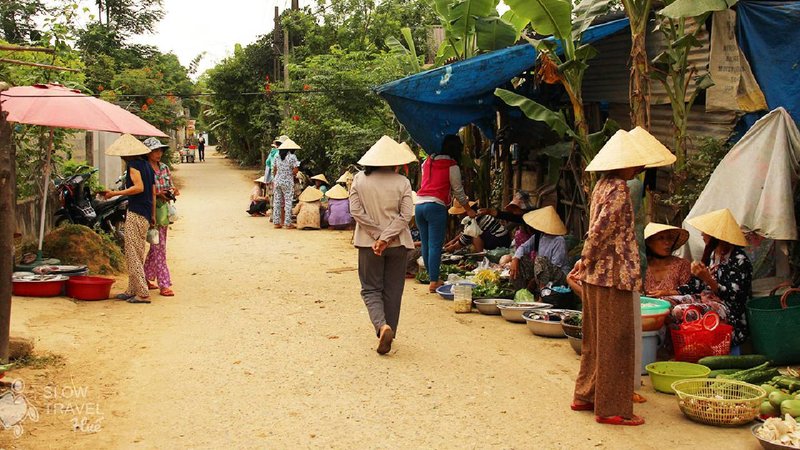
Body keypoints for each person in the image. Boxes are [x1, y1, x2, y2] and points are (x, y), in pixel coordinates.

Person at [568, 129, 661, 426]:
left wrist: (587, 261)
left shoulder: (601, 186)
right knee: (616, 342)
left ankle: (586, 394)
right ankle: (611, 408)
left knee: (595, 339)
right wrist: (586, 258)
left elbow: (596, 228)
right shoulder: (620, 189)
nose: (638, 167)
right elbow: (601, 230)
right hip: (614, 275)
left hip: (599, 274)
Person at [350, 136, 415, 355]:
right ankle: (391, 330)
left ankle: (381, 326)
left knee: (370, 288)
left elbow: (356, 212)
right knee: (394, 290)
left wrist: (378, 237)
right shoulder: (402, 182)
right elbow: (406, 215)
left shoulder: (359, 180)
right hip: (398, 244)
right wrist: (387, 238)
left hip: (369, 244)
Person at [658, 209, 752, 353]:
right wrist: (667, 292)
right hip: (705, 299)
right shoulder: (712, 254)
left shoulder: (740, 260)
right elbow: (696, 286)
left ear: (716, 236)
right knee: (665, 304)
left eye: (705, 232)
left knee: (681, 311)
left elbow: (735, 297)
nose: (702, 235)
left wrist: (708, 278)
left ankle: (694, 349)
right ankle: (672, 346)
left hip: (730, 310)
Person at [415, 134, 475, 293]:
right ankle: (434, 281)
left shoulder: (426, 162)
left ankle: (431, 277)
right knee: (435, 245)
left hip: (419, 205)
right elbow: (458, 191)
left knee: (426, 244)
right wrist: (468, 209)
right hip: (436, 206)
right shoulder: (452, 165)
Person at [103, 134, 158, 304]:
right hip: (146, 213)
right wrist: (153, 215)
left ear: (126, 155)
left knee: (132, 253)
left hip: (136, 212)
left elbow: (139, 188)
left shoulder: (134, 166)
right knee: (138, 252)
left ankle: (142, 292)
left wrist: (115, 193)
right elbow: (153, 192)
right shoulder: (148, 166)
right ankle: (132, 289)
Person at [142, 138, 179, 297]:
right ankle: (164, 283)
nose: (158, 154)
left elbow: (169, 186)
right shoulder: (143, 169)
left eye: (160, 151)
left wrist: (172, 192)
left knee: (157, 245)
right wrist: (157, 194)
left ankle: (145, 277)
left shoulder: (164, 168)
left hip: (162, 211)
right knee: (159, 247)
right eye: (155, 151)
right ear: (148, 152)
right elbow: (143, 190)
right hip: (149, 211)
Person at [509, 206, 570, 292]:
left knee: (540, 260)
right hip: (541, 271)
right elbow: (523, 247)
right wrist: (515, 259)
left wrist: (534, 280)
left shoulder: (559, 240)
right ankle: (519, 291)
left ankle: (542, 295)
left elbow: (556, 265)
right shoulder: (539, 236)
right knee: (521, 259)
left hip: (559, 276)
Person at [444, 199, 510, 252]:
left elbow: (465, 238)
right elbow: (464, 233)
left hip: (500, 241)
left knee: (474, 235)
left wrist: (453, 247)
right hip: (503, 238)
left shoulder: (474, 219)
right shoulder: (476, 214)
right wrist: (453, 241)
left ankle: (480, 258)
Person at [643, 223, 691, 295]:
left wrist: (668, 293)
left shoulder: (682, 265)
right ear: (649, 242)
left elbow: (688, 294)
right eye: (660, 238)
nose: (667, 242)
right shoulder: (641, 267)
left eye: (669, 238)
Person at [271, 138, 301, 229]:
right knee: (288, 201)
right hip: (287, 181)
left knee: (277, 201)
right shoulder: (292, 157)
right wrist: (289, 173)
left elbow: (275, 169)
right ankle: (288, 223)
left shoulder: (277, 156)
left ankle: (276, 222)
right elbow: (295, 170)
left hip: (277, 180)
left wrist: (277, 178)